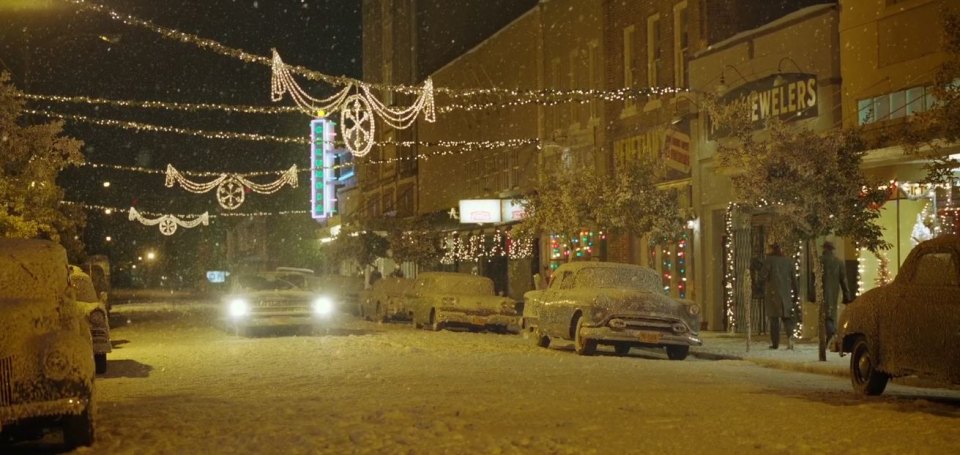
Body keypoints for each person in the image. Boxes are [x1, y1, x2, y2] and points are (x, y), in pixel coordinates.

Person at [759, 243, 798, 349]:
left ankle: (775, 343)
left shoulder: (769, 260)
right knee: (787, 318)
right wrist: (795, 293)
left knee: (774, 320)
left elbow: (762, 276)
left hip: (773, 293)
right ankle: (790, 338)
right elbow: (794, 279)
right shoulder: (788, 261)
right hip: (786, 294)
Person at [821, 241, 851, 340]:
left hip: (821, 291)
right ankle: (831, 335)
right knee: (831, 313)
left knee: (826, 315)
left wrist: (812, 294)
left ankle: (831, 334)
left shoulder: (820, 261)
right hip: (834, 292)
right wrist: (847, 296)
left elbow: (814, 277)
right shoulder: (838, 262)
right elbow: (844, 280)